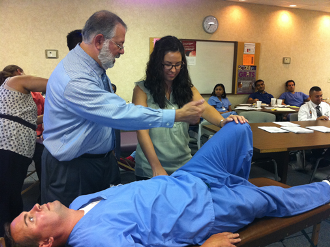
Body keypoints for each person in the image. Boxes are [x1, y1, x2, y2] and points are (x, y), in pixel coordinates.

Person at [6, 122, 330, 247]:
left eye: (28, 211)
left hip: (188, 178)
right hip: (204, 210)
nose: (34, 205)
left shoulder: (77, 204)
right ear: (47, 242)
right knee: (271, 199)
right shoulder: (94, 240)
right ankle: (325, 187)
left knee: (238, 129)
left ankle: (237, 183)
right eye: (31, 218)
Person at [41, 11, 206, 207]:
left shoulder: (94, 68)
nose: (122, 51)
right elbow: (119, 113)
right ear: (99, 40)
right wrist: (176, 115)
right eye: (119, 44)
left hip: (101, 161)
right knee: (72, 228)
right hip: (74, 169)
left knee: (106, 217)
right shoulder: (76, 78)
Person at [132, 36, 246, 180]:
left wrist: (222, 121)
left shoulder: (186, 88)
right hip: (151, 168)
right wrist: (156, 168)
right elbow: (142, 131)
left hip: (183, 165)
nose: (173, 70)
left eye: (178, 64)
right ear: (157, 63)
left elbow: (204, 107)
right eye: (168, 64)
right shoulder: (142, 90)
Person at [0, 68, 47, 236]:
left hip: (17, 149)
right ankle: (8, 235)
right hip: (10, 147)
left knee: (11, 192)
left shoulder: (12, 95)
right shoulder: (14, 81)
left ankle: (13, 234)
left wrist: (49, 114)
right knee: (7, 196)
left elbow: (30, 121)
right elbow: (54, 84)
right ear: (19, 72)